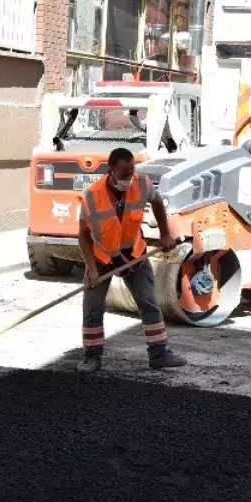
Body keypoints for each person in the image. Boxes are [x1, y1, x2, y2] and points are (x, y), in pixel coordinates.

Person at [77, 147, 188, 373]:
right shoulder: (91, 196)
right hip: (102, 257)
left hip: (134, 255)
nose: (129, 177)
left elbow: (158, 203)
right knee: (92, 307)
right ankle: (92, 357)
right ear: (111, 170)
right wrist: (91, 268)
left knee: (149, 303)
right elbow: (83, 235)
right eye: (124, 172)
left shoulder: (142, 183)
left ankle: (159, 354)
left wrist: (165, 234)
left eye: (131, 171)